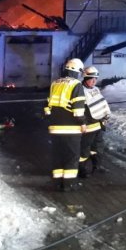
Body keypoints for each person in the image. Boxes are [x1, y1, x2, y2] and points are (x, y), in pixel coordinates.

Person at [44, 58, 87, 192]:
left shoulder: (55, 83)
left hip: (55, 128)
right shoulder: (76, 85)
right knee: (71, 156)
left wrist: (51, 119)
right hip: (71, 129)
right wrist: (83, 123)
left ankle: (57, 182)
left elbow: (47, 106)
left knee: (58, 155)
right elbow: (78, 110)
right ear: (77, 71)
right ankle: (69, 184)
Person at [79, 66, 111, 177]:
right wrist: (83, 123)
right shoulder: (80, 91)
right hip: (88, 126)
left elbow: (101, 104)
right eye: (91, 79)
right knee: (84, 148)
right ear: (85, 79)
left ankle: (97, 166)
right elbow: (79, 109)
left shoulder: (96, 89)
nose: (94, 81)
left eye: (95, 79)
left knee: (97, 147)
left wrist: (105, 116)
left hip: (98, 125)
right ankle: (81, 169)